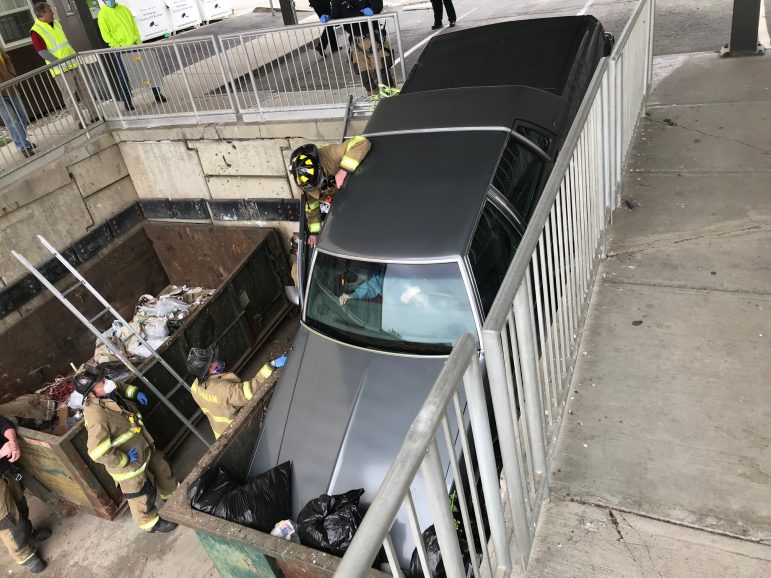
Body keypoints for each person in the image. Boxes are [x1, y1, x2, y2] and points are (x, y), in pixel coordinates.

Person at [74, 365, 178, 533]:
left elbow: (120, 387)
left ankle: (173, 497)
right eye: (101, 381)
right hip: (129, 462)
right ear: (91, 392)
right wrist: (123, 459)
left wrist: (135, 392)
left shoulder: (106, 392)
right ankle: (150, 523)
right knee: (141, 493)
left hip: (142, 444)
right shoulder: (96, 416)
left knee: (161, 468)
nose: (106, 382)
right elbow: (96, 451)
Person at [187, 347, 288, 440]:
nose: (216, 361)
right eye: (212, 362)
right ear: (208, 369)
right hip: (238, 432)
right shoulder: (224, 390)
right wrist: (271, 366)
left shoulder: (195, 388)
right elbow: (249, 392)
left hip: (221, 434)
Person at [289, 136, 371, 245]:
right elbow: (311, 208)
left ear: (319, 168)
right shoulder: (302, 185)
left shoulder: (330, 155)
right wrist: (315, 232)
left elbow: (362, 142)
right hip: (343, 200)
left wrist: (343, 171)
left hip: (361, 184)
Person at [30, 3, 99, 127]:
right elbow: (42, 52)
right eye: (49, 10)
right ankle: (80, 121)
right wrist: (58, 61)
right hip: (60, 69)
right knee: (70, 97)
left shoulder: (56, 23)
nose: (53, 12)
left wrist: (73, 52)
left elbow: (65, 42)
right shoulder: (36, 31)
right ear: (42, 14)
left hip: (73, 63)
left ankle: (94, 115)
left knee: (85, 91)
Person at [0, 414, 51, 573]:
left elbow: (3, 423)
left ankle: (28, 536)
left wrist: (12, 442)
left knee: (20, 506)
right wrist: (0, 453)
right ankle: (24, 556)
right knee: (9, 520)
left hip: (5, 471)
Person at [97, 0, 166, 110]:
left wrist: (137, 41)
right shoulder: (102, 14)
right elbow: (106, 35)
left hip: (134, 46)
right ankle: (127, 101)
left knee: (146, 69)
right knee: (124, 75)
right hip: (120, 50)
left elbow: (134, 26)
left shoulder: (124, 9)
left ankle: (157, 94)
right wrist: (118, 45)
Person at [0, 48, 36, 158]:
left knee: (22, 117)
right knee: (12, 120)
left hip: (10, 87)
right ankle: (23, 146)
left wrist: (13, 75)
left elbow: (7, 59)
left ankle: (23, 140)